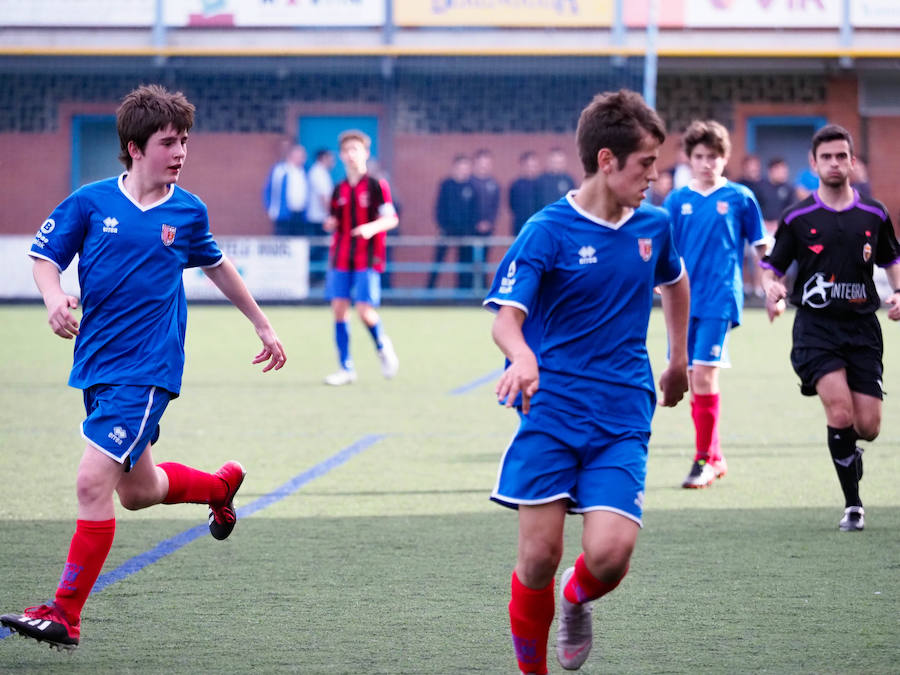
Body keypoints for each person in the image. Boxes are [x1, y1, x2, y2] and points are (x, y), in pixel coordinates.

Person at [0, 84, 287, 651]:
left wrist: (262, 323)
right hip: (98, 367)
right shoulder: (91, 202)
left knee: (91, 482)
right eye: (167, 141)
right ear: (134, 147)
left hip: (148, 371)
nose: (179, 151)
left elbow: (219, 266)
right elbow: (43, 257)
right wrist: (53, 297)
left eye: (184, 141)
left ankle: (65, 614)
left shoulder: (188, 211)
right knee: (137, 491)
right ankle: (220, 488)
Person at [484, 89, 690, 675]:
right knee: (540, 557)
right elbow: (507, 319)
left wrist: (677, 359)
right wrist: (522, 356)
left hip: (623, 411)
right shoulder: (547, 230)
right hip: (550, 411)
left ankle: (577, 600)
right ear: (607, 160)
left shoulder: (656, 224)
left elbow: (674, 282)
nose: (655, 175)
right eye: (646, 163)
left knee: (608, 554)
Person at [760, 123, 900, 532]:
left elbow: (891, 258)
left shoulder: (874, 213)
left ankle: (850, 452)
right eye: (827, 157)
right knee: (839, 411)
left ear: (852, 161)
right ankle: (853, 505)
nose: (835, 163)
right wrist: (773, 291)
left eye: (842, 156)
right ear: (813, 163)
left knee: (868, 427)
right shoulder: (799, 216)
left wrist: (898, 291)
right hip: (816, 329)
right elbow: (773, 268)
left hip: (862, 330)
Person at [663, 120, 767, 488]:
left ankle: (703, 459)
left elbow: (760, 245)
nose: (707, 163)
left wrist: (770, 284)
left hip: (720, 298)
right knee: (692, 378)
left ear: (725, 159)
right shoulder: (676, 201)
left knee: (705, 374)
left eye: (714, 157)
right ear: (688, 159)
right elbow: (666, 250)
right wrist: (659, 284)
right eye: (700, 156)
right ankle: (716, 455)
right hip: (682, 303)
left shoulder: (740, 197)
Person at [322, 129, 399, 386]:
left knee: (365, 311)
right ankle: (346, 368)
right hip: (341, 255)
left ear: (365, 153)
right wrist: (331, 223)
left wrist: (370, 228)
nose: (350, 154)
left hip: (368, 256)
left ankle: (382, 345)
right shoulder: (339, 189)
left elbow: (391, 218)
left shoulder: (377, 185)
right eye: (346, 150)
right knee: (339, 309)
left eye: (355, 149)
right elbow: (335, 216)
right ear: (341, 156)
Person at [428, 154, 478, 290]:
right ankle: (429, 290)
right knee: (438, 260)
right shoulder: (446, 184)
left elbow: (475, 210)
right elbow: (439, 206)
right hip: (447, 230)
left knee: (465, 263)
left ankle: (463, 292)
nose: (463, 170)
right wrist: (441, 226)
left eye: (466, 168)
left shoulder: (472, 186)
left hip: (465, 232)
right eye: (461, 167)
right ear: (455, 168)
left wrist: (471, 229)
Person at [262, 142, 309, 236]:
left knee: (299, 241)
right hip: (284, 214)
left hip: (300, 214)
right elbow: (268, 190)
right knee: (283, 240)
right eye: (300, 156)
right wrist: (271, 208)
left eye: (304, 156)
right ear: (292, 156)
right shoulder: (280, 170)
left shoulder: (304, 171)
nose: (303, 159)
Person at [306, 148, 336, 287]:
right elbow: (323, 198)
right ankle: (315, 278)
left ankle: (317, 276)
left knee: (322, 249)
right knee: (319, 249)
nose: (333, 161)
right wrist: (332, 215)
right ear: (323, 158)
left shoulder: (322, 173)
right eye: (330, 157)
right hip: (318, 218)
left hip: (321, 217)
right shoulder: (318, 173)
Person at [471, 148, 501, 286]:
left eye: (487, 163)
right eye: (482, 163)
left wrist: (489, 222)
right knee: (468, 262)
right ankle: (464, 293)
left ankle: (482, 291)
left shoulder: (494, 184)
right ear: (476, 163)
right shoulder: (469, 182)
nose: (484, 166)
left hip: (487, 230)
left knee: (484, 261)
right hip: (471, 230)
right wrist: (475, 223)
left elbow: (496, 207)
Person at [756, 157, 795, 236]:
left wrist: (779, 223)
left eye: (785, 171)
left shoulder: (789, 188)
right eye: (781, 171)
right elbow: (754, 208)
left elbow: (791, 210)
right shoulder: (759, 187)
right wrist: (763, 223)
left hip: (781, 229)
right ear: (772, 171)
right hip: (762, 229)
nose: (784, 173)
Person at [509, 151, 543, 236]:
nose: (531, 169)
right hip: (519, 226)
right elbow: (512, 205)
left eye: (533, 166)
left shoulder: (541, 184)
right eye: (528, 166)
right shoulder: (516, 185)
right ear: (522, 166)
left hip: (537, 226)